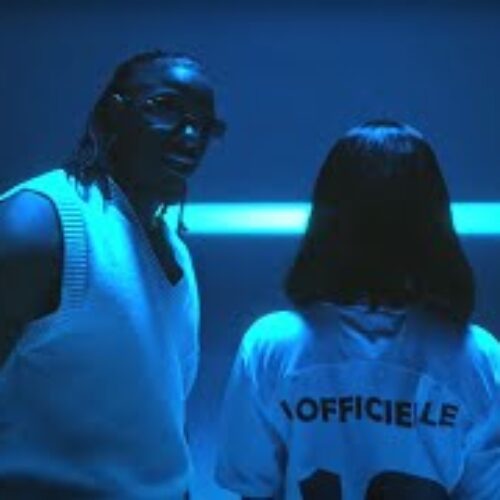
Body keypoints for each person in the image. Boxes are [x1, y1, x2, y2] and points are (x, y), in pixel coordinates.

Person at [215, 120, 500, 499]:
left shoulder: (271, 345)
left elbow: (254, 488)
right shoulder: (479, 357)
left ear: (327, 216)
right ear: (433, 219)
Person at [0, 50, 225, 498]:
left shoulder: (176, 250)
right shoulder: (39, 221)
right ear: (114, 111)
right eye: (167, 107)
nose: (190, 136)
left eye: (204, 125)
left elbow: (162, 426)